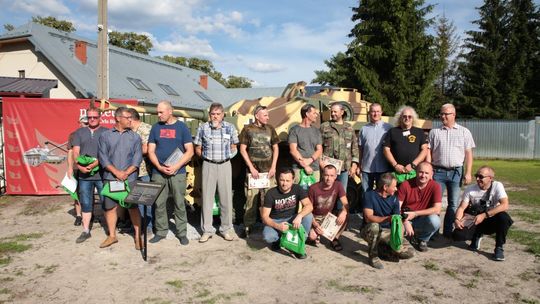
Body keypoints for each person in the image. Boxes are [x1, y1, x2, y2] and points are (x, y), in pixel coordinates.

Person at [147, 101, 194, 245]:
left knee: (179, 203)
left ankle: (181, 233)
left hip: (178, 172)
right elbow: (150, 151)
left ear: (170, 111)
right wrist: (159, 167)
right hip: (158, 172)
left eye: (161, 112)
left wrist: (176, 166)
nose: (158, 115)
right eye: (157, 112)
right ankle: (161, 232)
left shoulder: (182, 127)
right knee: (159, 204)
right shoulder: (155, 128)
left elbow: (190, 151)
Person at [97, 107, 143, 249]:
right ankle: (112, 236)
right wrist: (116, 173)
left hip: (130, 179)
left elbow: (137, 158)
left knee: (133, 208)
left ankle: (137, 237)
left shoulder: (135, 137)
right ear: (118, 118)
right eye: (128, 117)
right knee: (110, 207)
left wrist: (126, 173)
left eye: (131, 118)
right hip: (111, 178)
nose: (131, 120)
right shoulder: (105, 136)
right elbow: (103, 157)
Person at [428, 103, 475, 238]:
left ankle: (448, 231)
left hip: (456, 172)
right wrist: (429, 169)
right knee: (435, 202)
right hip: (438, 172)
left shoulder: (464, 132)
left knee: (453, 204)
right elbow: (429, 152)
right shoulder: (434, 132)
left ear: (453, 115)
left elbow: (468, 154)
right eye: (441, 113)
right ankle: (434, 231)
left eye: (446, 114)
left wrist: (468, 172)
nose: (443, 116)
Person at [194, 102, 239, 243]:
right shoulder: (203, 128)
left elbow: (234, 146)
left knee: (226, 198)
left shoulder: (230, 128)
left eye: (218, 114)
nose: (215, 116)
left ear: (222, 115)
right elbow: (198, 148)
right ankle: (207, 230)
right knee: (207, 199)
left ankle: (225, 229)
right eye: (213, 114)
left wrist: (226, 157)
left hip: (225, 165)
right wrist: (207, 159)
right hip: (208, 165)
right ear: (209, 115)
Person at [454, 166, 513, 261]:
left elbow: (505, 205)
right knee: (458, 235)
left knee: (504, 218)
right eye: (476, 176)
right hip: (475, 220)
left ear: (490, 178)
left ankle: (499, 247)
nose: (477, 179)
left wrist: (485, 215)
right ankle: (477, 235)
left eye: (481, 176)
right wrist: (457, 220)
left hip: (490, 220)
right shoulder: (470, 189)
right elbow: (461, 207)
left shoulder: (497, 186)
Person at [239, 105, 279, 238]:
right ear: (257, 116)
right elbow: (243, 149)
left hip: (268, 172)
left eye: (268, 115)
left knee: (271, 199)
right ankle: (248, 226)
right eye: (265, 115)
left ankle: (272, 225)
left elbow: (276, 148)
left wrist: (273, 167)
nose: (268, 117)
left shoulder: (270, 129)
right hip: (253, 173)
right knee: (251, 199)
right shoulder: (247, 129)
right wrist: (250, 167)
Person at [360, 173, 414, 269]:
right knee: (374, 227)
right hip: (369, 230)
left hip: (388, 232)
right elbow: (368, 217)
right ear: (385, 187)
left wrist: (398, 238)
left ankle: (383, 249)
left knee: (409, 252)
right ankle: (373, 256)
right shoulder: (369, 195)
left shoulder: (394, 199)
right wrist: (387, 218)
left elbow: (398, 221)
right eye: (394, 186)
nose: (396, 189)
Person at [72, 107, 108, 243]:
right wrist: (79, 165)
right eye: (89, 117)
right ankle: (86, 230)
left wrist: (96, 164)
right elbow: (75, 152)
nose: (92, 119)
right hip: (84, 175)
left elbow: (107, 152)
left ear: (100, 118)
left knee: (106, 201)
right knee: (86, 202)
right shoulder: (79, 132)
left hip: (102, 174)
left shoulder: (106, 132)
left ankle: (109, 229)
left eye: (95, 117)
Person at [261, 168, 313, 259]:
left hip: (292, 219)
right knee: (268, 237)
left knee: (308, 216)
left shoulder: (297, 189)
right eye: (282, 180)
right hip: (276, 221)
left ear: (293, 180)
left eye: (287, 180)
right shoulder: (271, 193)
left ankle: (297, 244)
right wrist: (278, 226)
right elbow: (264, 217)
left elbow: (309, 206)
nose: (284, 183)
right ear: (278, 179)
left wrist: (300, 216)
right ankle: (279, 241)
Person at [398, 162, 442, 252]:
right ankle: (408, 235)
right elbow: (396, 207)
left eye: (426, 173)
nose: (423, 175)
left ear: (431, 174)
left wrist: (415, 213)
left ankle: (423, 239)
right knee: (399, 240)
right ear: (416, 172)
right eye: (421, 172)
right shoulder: (405, 185)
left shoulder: (435, 186)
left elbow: (437, 209)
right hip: (406, 217)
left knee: (435, 221)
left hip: (422, 218)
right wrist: (405, 221)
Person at [358, 103, 392, 213]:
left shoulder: (388, 128)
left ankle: (380, 218)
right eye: (373, 111)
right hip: (367, 168)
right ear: (369, 113)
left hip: (383, 168)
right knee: (366, 194)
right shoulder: (364, 129)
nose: (375, 113)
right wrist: (359, 164)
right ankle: (367, 219)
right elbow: (360, 149)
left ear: (381, 112)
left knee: (382, 194)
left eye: (378, 111)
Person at [320, 103, 359, 193]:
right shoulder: (325, 126)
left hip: (344, 168)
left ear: (342, 112)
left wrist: (354, 164)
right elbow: (319, 146)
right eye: (332, 111)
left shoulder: (349, 128)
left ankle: (340, 207)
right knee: (326, 192)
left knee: (341, 193)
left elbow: (355, 147)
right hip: (328, 168)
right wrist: (321, 162)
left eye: (335, 112)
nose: (333, 114)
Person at [307, 165, 348, 251]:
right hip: (315, 216)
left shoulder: (338, 185)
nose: (329, 178)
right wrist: (315, 224)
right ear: (322, 175)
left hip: (328, 216)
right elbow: (307, 210)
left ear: (336, 176)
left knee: (346, 215)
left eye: (332, 175)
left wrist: (344, 212)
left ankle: (334, 238)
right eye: (326, 175)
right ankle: (315, 235)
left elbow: (345, 203)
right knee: (312, 237)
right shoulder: (313, 188)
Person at [383, 106, 428, 183]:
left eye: (410, 116)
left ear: (413, 118)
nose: (407, 118)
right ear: (400, 118)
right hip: (396, 173)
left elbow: (424, 149)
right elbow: (386, 149)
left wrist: (413, 165)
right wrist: (395, 165)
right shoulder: (392, 131)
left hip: (414, 173)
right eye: (404, 116)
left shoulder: (419, 132)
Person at [127, 108, 153, 234]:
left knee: (146, 201)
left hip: (144, 171)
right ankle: (138, 226)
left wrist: (128, 152)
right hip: (131, 172)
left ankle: (148, 227)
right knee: (135, 202)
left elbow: (147, 148)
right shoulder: (129, 131)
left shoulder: (146, 129)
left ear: (130, 119)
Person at [288, 104, 323, 183]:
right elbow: (293, 150)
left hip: (314, 169)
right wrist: (305, 165)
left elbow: (319, 150)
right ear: (307, 114)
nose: (316, 115)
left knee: (313, 194)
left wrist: (310, 160)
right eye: (314, 113)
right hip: (298, 169)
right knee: (299, 193)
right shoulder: (294, 130)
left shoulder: (316, 131)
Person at [67, 113, 89, 226]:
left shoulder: (92, 133)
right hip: (77, 168)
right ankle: (79, 215)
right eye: (84, 123)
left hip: (91, 168)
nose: (86, 124)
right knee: (77, 193)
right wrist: (70, 168)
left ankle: (90, 214)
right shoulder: (73, 135)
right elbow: (70, 152)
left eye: (87, 123)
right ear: (79, 123)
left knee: (88, 192)